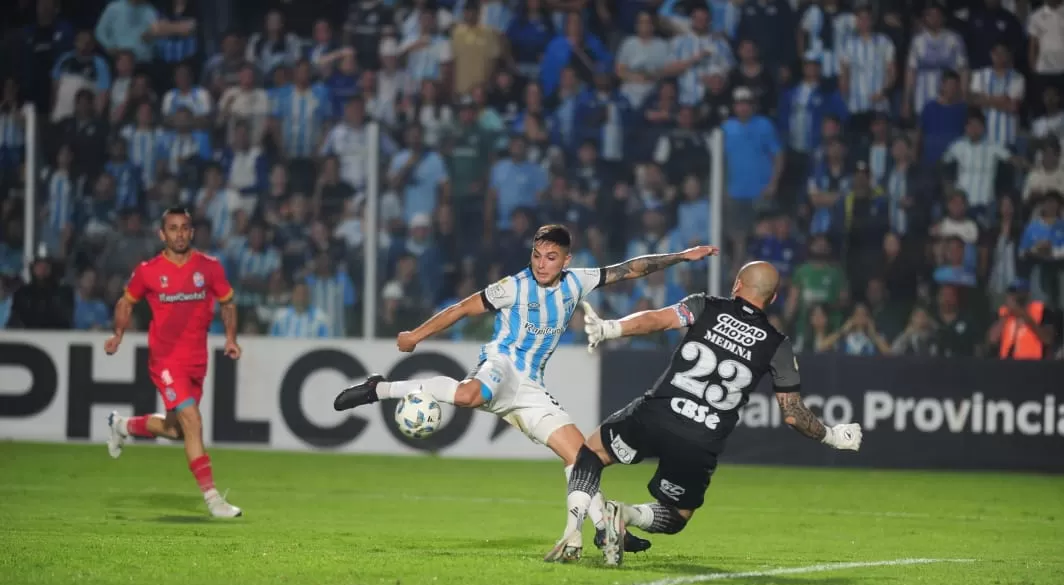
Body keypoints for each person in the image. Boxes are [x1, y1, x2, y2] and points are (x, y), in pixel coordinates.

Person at [333, 224, 719, 559]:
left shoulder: (578, 280)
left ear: (565, 261)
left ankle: (606, 528)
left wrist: (683, 256)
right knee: (469, 395)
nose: (541, 263)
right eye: (537, 255)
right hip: (501, 365)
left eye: (551, 257)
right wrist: (416, 335)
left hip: (530, 387)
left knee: (581, 456)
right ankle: (379, 389)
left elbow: (632, 269)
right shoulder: (512, 287)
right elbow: (462, 309)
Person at [560, 261, 863, 566]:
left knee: (591, 452)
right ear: (773, 299)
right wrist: (833, 436)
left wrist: (610, 328)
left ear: (736, 285)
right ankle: (625, 514)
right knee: (677, 515)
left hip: (657, 415)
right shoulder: (776, 345)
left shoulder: (705, 306)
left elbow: (658, 320)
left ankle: (574, 533)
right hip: (700, 440)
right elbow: (793, 413)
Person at [103, 207, 244, 519]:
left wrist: (231, 339)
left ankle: (122, 425)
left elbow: (228, 303)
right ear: (162, 234)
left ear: (191, 232)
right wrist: (117, 334)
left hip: (197, 360)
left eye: (184, 228)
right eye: (173, 228)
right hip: (165, 360)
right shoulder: (148, 271)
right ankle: (214, 500)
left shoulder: (209, 267)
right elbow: (126, 302)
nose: (179, 234)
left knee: (178, 430)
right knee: (193, 421)